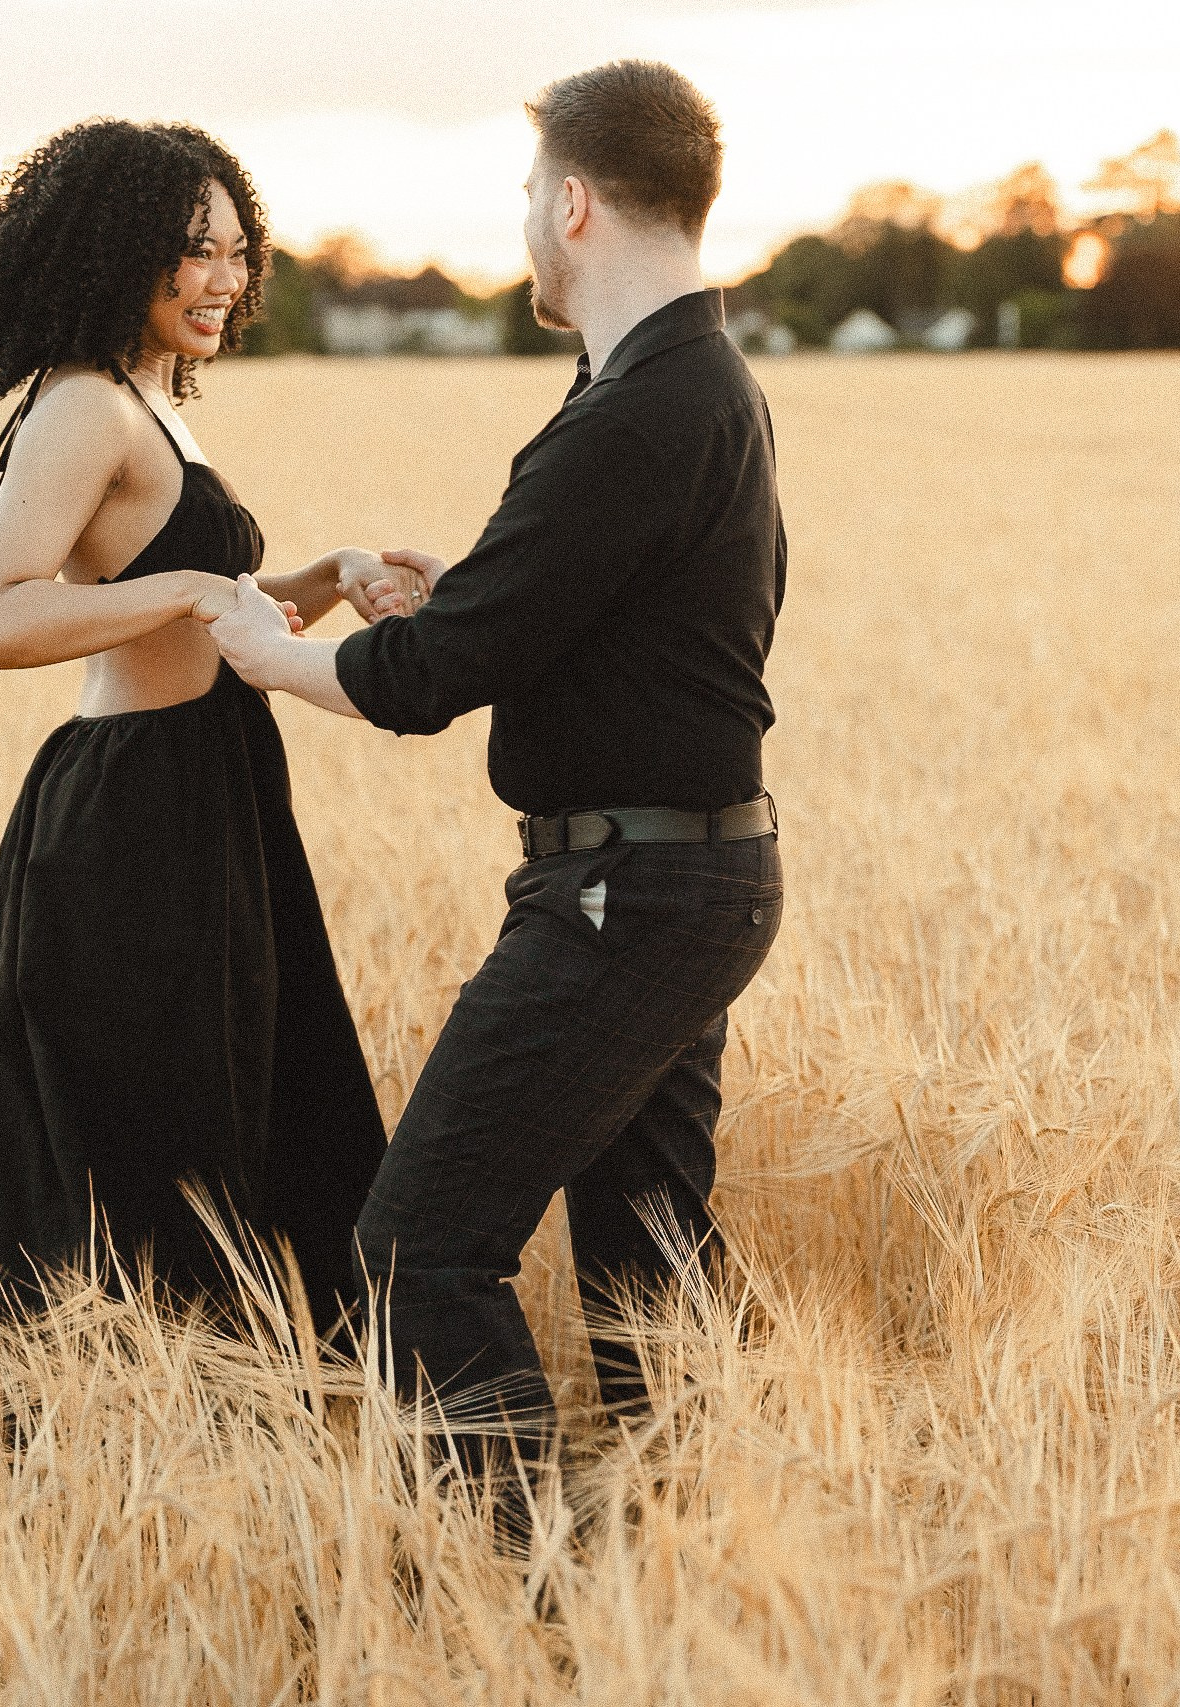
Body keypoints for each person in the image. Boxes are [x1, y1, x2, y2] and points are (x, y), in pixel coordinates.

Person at [207, 61, 785, 1486]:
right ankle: (722, 1559)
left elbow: (415, 686)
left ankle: (514, 1586)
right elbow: (642, 622)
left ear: (574, 202)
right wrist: (478, 592)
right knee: (650, 1261)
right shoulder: (687, 385)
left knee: (420, 1245)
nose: (526, 220)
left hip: (624, 893)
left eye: (532, 193)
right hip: (681, 875)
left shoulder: (636, 413)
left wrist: (252, 642)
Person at [0, 120, 412, 1328]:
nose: (224, 281)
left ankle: (247, 1445)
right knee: (155, 1152)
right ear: (116, 250)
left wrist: (323, 576)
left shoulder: (149, 401)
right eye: (192, 250)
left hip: (216, 795)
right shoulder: (83, 407)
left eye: (238, 252)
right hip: (133, 823)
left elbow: (197, 606)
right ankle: (121, 1454)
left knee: (260, 1112)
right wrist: (192, 589)